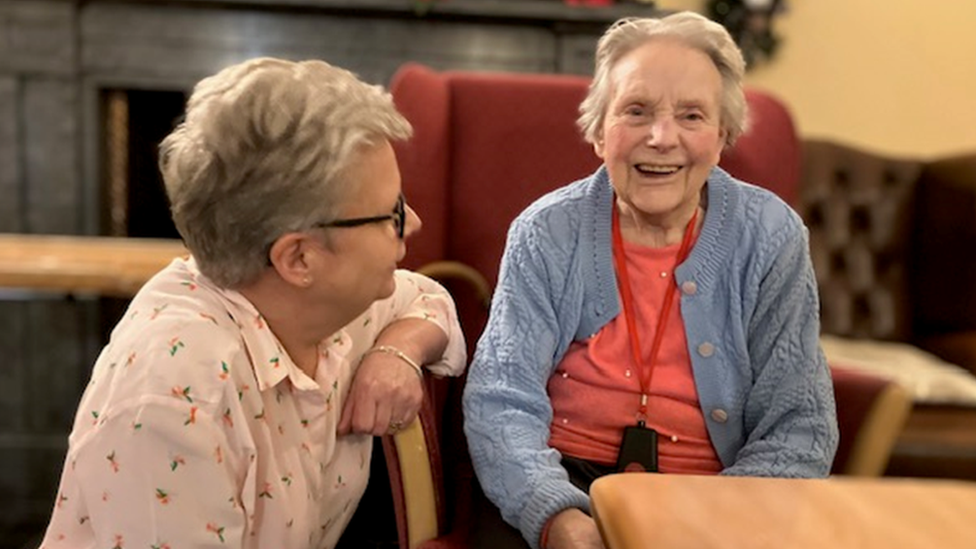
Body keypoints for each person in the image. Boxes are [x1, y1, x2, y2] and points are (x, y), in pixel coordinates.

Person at [39, 57, 465, 549]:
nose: (412, 221)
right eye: (390, 212)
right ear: (298, 257)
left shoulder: (322, 308)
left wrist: (398, 351)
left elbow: (431, 301)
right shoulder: (176, 397)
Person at [462, 11, 838, 549]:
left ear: (723, 134)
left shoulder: (772, 237)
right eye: (636, 111)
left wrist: (713, 523)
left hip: (714, 498)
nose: (662, 138)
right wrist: (555, 517)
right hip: (559, 481)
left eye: (691, 116)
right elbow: (501, 398)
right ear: (598, 132)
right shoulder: (544, 232)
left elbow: (798, 423)